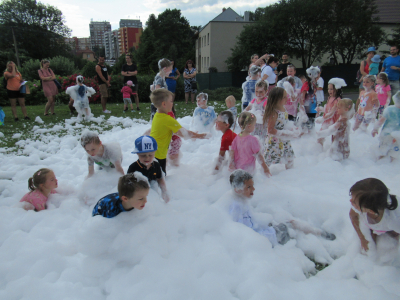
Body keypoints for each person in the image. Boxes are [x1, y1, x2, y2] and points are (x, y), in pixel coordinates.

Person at [227, 170, 335, 247]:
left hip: (264, 234)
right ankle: (319, 235)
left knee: (290, 223)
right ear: (238, 190)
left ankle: (317, 233)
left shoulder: (240, 201)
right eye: (249, 187)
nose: (254, 189)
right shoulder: (236, 209)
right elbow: (244, 235)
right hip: (266, 239)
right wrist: (270, 232)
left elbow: (250, 223)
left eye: (253, 185)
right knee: (292, 224)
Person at [150, 89, 207, 175]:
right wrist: (201, 136)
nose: (172, 103)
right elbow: (184, 133)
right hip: (159, 155)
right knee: (160, 178)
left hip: (153, 152)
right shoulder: (168, 119)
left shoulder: (157, 116)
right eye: (171, 101)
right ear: (164, 104)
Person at [349, 178, 399, 259]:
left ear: (371, 211)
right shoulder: (361, 205)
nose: (350, 201)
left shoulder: (394, 219)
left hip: (390, 225)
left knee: (394, 235)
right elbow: (353, 216)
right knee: (368, 248)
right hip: (376, 224)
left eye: (354, 202)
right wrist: (362, 238)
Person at [264, 87, 301, 170]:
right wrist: (285, 133)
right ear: (277, 99)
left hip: (284, 139)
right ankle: (264, 175)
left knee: (289, 158)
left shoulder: (283, 108)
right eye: (284, 97)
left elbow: (284, 122)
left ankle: (290, 175)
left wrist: (292, 129)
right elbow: (270, 129)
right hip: (275, 141)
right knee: (269, 159)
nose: (287, 98)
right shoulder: (274, 112)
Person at [127, 136, 169, 202]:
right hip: (139, 196)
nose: (147, 158)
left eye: (150, 155)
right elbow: (128, 184)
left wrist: (164, 191)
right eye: (143, 155)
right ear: (137, 154)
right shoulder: (133, 167)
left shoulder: (156, 165)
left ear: (155, 152)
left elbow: (160, 178)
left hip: (153, 193)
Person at [229, 112, 271, 176]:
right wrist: (265, 168)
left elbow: (232, 151)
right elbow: (259, 155)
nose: (254, 127)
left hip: (237, 170)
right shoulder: (253, 140)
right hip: (249, 171)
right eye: (254, 125)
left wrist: (231, 163)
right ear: (249, 126)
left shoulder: (236, 138)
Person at [315, 78, 346, 145]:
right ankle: (319, 151)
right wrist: (321, 109)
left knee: (335, 140)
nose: (329, 91)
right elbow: (328, 110)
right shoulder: (329, 98)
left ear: (337, 89)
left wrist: (322, 119)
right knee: (320, 137)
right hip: (328, 121)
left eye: (331, 89)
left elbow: (331, 113)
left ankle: (335, 152)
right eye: (328, 89)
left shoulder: (337, 100)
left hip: (334, 122)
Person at [372, 91, 400, 161]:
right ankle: (387, 163)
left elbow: (380, 121)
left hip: (388, 134)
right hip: (394, 135)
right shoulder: (390, 110)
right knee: (393, 151)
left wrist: (375, 129)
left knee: (385, 149)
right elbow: (380, 121)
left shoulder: (389, 109)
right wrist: (375, 129)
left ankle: (380, 162)